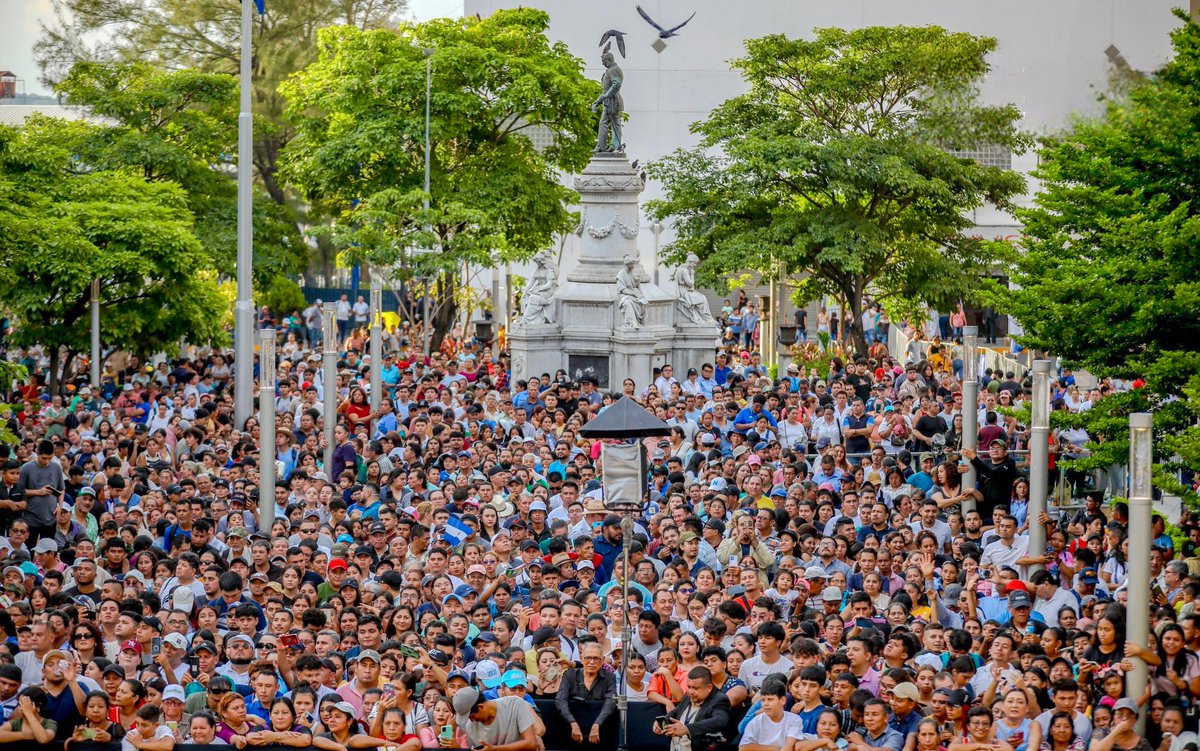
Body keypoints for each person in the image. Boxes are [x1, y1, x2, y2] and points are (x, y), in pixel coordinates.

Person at [653, 667, 732, 748]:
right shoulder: (689, 695)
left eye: (695, 688)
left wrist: (687, 729)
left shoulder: (720, 700)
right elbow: (677, 710)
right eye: (689, 687)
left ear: (709, 688)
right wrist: (662, 722)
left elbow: (720, 720)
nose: (690, 691)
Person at [555, 641, 616, 745]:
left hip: (601, 731)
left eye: (596, 658)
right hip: (572, 728)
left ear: (602, 661)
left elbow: (611, 702)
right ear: (581, 658)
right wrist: (572, 723)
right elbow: (560, 700)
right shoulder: (570, 675)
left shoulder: (609, 677)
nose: (592, 662)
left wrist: (597, 724)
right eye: (588, 658)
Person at [451, 688, 537, 751]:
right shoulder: (469, 725)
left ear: (481, 707)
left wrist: (494, 749)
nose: (472, 720)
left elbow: (531, 743)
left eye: (472, 716)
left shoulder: (515, 704)